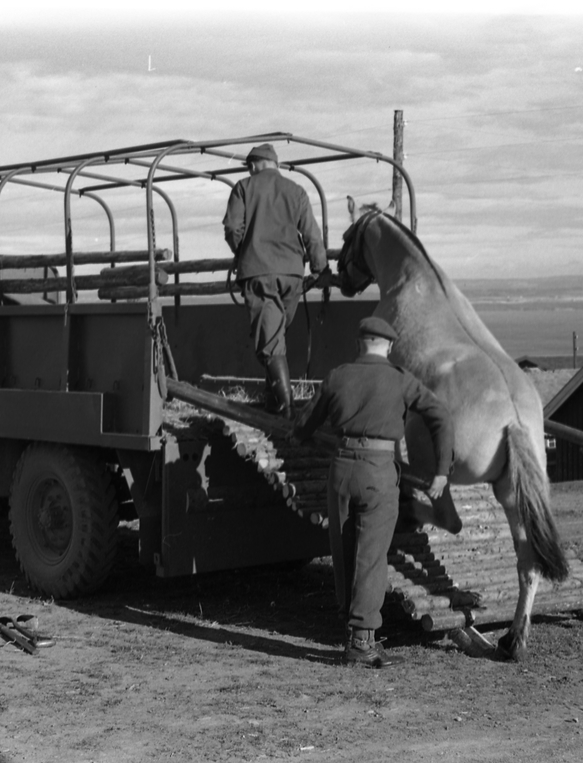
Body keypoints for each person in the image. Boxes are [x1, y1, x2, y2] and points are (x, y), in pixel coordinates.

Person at [293, 316, 453, 668]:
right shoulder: (400, 380)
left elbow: (304, 424)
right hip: (378, 472)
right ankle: (361, 642)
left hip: (341, 468)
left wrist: (299, 433)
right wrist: (442, 470)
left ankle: (351, 626)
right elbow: (440, 416)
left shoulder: (338, 376)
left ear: (359, 343)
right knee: (371, 555)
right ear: (389, 346)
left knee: (344, 549)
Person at [223, 143, 331, 418]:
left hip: (258, 273)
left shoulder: (243, 187)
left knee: (270, 341)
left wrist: (244, 251)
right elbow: (312, 234)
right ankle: (274, 403)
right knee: (275, 338)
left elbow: (232, 228)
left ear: (253, 165)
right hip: (292, 275)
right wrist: (319, 269)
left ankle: (287, 411)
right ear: (276, 164)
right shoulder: (296, 190)